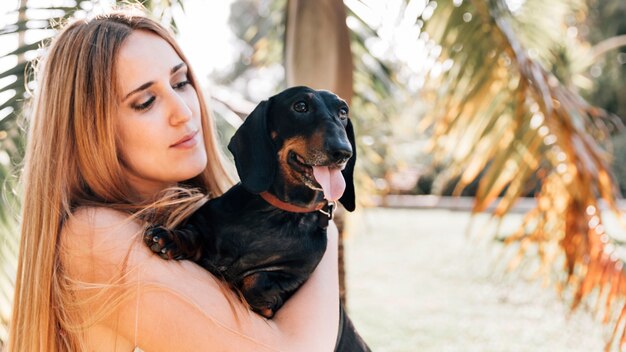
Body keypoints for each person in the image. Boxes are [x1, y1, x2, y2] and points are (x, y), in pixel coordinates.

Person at [9, 8, 340, 351]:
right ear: (90, 134)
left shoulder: (220, 224)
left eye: (181, 83)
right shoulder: (95, 238)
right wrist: (315, 219)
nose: (183, 111)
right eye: (146, 101)